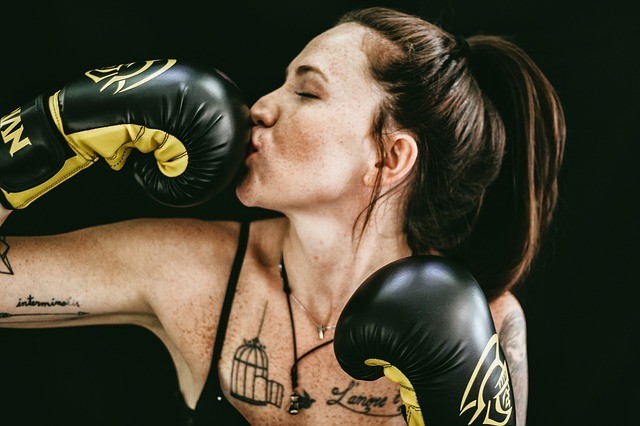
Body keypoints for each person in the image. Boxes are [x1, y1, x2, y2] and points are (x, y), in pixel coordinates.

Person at [0, 6, 565, 426]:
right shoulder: (193, 271)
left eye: (307, 92)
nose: (261, 107)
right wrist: (46, 131)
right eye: (280, 82)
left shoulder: (485, 325)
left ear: (389, 157)